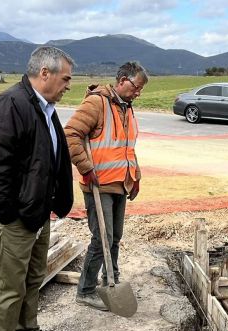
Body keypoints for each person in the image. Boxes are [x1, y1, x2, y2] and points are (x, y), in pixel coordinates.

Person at [0, 46, 74, 331]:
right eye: (65, 79)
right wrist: (10, 216)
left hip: (36, 213)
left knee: (33, 278)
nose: (68, 85)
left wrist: (53, 204)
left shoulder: (44, 109)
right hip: (16, 218)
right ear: (44, 73)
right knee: (9, 285)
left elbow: (46, 160)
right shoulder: (9, 105)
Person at [64, 61, 148, 310]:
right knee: (101, 238)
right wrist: (86, 169)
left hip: (120, 183)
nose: (138, 93)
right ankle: (86, 291)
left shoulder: (126, 108)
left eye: (140, 89)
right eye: (136, 87)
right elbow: (70, 135)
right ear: (122, 80)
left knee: (114, 238)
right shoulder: (96, 102)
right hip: (98, 184)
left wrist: (136, 176)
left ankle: (111, 278)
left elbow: (127, 147)